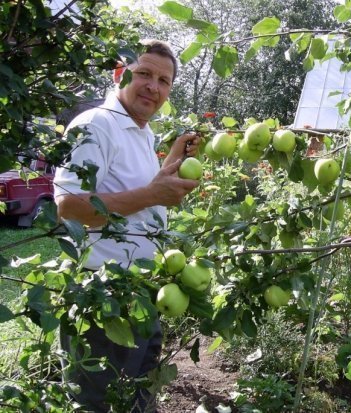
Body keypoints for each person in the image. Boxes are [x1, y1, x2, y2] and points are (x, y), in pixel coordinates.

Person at [54, 39, 200, 412]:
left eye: (164, 80)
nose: (154, 86)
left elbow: (137, 193)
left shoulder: (142, 132)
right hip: (103, 297)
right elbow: (68, 207)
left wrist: (169, 165)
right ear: (121, 74)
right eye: (144, 74)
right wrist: (153, 194)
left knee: (139, 398)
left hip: (141, 290)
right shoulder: (95, 125)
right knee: (97, 403)